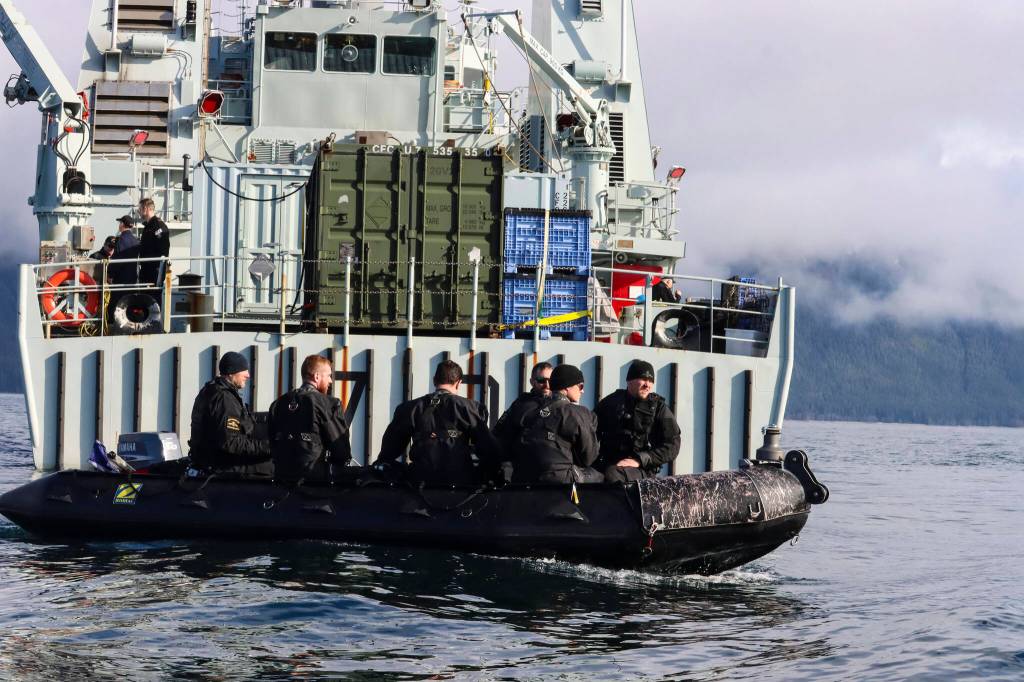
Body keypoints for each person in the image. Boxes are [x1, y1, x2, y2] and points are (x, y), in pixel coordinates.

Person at [376, 360, 499, 486]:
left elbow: (389, 451)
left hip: (419, 483)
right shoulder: (471, 408)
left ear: (434, 380)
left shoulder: (409, 409)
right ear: (458, 383)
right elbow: (489, 449)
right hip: (460, 484)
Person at [512, 364, 603, 484]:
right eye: (580, 386)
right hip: (558, 478)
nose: (583, 391)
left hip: (523, 476)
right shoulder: (577, 412)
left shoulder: (529, 409)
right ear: (567, 387)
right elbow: (588, 457)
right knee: (600, 475)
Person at [268, 354, 353, 483]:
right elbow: (341, 451)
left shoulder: (278, 403)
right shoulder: (329, 404)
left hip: (281, 480)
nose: (330, 381)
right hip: (314, 483)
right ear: (317, 376)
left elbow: (271, 442)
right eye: (329, 376)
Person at [187, 351, 272, 477]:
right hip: (221, 465)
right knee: (270, 466)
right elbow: (231, 442)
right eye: (244, 370)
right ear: (232, 372)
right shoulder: (224, 399)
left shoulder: (211, 390)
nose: (248, 375)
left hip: (207, 459)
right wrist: (269, 447)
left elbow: (241, 419)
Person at [595, 360, 681, 483]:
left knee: (612, 474)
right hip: (609, 464)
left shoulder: (659, 408)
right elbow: (589, 431)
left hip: (641, 470)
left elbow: (673, 445)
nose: (648, 385)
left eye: (651, 381)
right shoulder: (610, 403)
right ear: (629, 380)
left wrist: (640, 460)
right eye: (643, 379)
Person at [493, 362, 553, 454]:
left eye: (550, 380)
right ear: (532, 382)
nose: (547, 385)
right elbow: (500, 432)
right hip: (523, 462)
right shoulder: (520, 404)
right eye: (542, 380)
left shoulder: (561, 404)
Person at [138, 197, 170, 287]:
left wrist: (158, 270)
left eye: (140, 209)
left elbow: (163, 249)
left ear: (146, 208)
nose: (139, 212)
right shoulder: (149, 226)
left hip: (154, 271)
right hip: (146, 269)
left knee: (153, 297)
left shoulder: (158, 226)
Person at [108, 215, 140, 287]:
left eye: (120, 223)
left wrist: (110, 275)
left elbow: (117, 260)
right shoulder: (136, 241)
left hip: (121, 279)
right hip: (132, 278)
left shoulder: (121, 240)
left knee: (119, 298)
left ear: (122, 224)